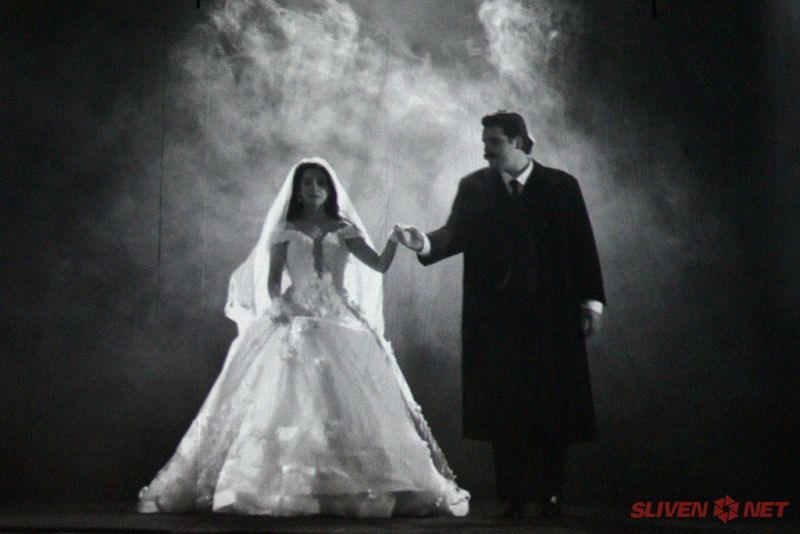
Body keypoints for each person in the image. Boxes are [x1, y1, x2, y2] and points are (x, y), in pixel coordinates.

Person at [137, 157, 469, 517]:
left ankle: (357, 485)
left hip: (339, 315)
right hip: (295, 311)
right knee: (287, 393)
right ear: (297, 190)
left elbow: (379, 265)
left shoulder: (343, 228)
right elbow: (272, 282)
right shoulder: (285, 230)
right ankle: (288, 486)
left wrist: (393, 241)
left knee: (348, 398)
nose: (313, 189)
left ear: (329, 190)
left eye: (320, 183)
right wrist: (282, 307)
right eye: (307, 183)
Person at [395, 111, 605, 519]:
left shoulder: (561, 187)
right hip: (495, 322)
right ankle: (513, 496)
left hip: (552, 318)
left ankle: (551, 493)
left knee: (551, 406)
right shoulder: (475, 188)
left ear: (519, 142)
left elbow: (583, 244)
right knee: (504, 408)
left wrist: (592, 300)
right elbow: (454, 234)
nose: (486, 150)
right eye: (485, 142)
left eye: (494, 141)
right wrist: (423, 242)